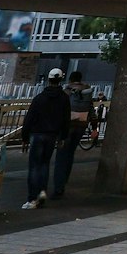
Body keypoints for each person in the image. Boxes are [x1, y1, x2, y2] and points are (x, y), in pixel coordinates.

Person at [21, 68, 71, 210]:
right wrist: (63, 136)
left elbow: (29, 118)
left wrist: (25, 137)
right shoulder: (64, 99)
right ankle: (42, 191)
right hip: (52, 135)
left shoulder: (39, 98)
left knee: (34, 166)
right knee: (44, 164)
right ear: (61, 80)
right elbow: (66, 119)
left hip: (37, 134)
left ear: (48, 80)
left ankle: (32, 197)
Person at [52, 70, 93, 199]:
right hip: (81, 126)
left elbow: (59, 109)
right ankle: (64, 180)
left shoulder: (67, 91)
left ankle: (59, 186)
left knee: (61, 155)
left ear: (70, 79)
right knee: (70, 154)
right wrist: (95, 128)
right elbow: (91, 110)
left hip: (67, 127)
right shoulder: (88, 92)